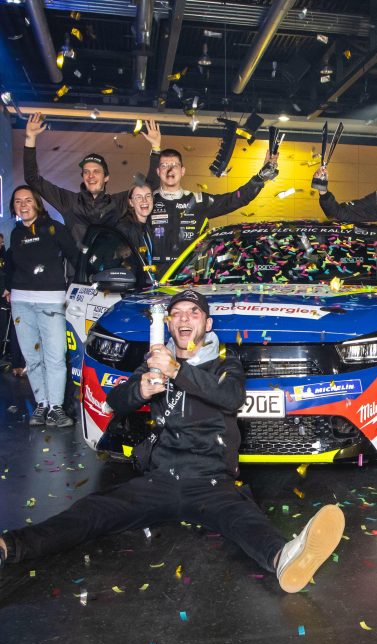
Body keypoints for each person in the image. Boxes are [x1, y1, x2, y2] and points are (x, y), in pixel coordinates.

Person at [0, 289, 345, 593]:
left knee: (244, 521)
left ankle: (285, 558)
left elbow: (231, 396)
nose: (184, 319)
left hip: (211, 482)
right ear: (169, 323)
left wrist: (178, 371)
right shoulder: (156, 362)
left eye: (193, 313)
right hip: (161, 480)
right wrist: (140, 390)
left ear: (207, 324)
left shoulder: (225, 364)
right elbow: (114, 402)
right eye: (177, 313)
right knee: (93, 511)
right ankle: (9, 546)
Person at [2, 185, 79, 427]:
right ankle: (42, 404)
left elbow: (75, 256)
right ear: (13, 207)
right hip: (21, 302)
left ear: (37, 202)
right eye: (18, 201)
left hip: (51, 301)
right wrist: (8, 287)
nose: (23, 205)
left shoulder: (55, 228)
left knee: (55, 356)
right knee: (32, 357)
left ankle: (56, 407)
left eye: (28, 200)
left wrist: (75, 287)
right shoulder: (16, 234)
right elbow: (12, 264)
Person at [23, 113, 162, 245]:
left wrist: (156, 148)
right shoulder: (69, 202)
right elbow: (32, 179)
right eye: (86, 172)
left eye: (96, 172)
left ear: (106, 177)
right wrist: (30, 139)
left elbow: (149, 186)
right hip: (78, 263)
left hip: (112, 263)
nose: (91, 176)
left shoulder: (118, 203)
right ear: (83, 177)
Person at [149, 148, 277, 274]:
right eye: (164, 165)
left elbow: (234, 200)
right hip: (154, 275)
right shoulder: (146, 203)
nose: (170, 170)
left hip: (190, 275)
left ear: (182, 171)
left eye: (175, 165)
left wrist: (260, 177)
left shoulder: (198, 201)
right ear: (158, 171)